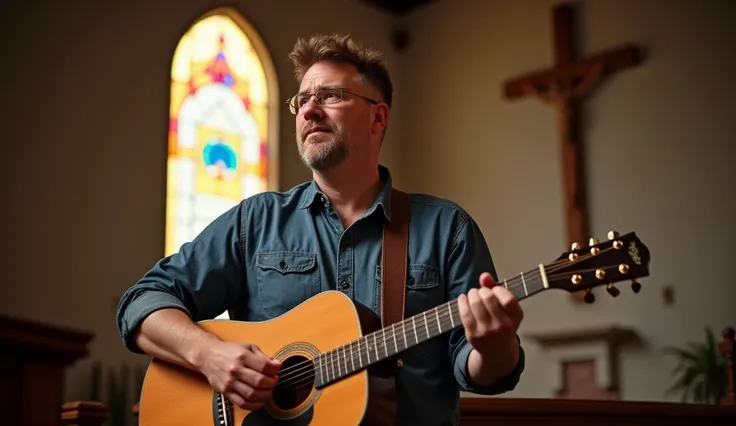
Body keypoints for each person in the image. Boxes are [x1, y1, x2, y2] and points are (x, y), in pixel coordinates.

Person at [116, 33, 525, 426]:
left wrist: (495, 346)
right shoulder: (256, 222)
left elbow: (482, 370)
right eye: (303, 100)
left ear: (377, 117)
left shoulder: (447, 229)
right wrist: (208, 355)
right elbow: (143, 302)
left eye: (331, 96)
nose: (310, 110)